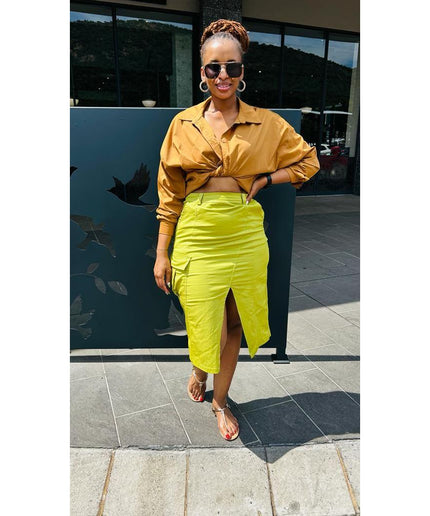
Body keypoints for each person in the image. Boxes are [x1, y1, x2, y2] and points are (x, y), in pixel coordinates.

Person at [153, 19, 320, 441]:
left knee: (234, 321)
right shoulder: (183, 124)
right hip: (198, 229)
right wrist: (161, 253)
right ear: (202, 72)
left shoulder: (267, 124)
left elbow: (309, 161)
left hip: (245, 231)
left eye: (232, 67)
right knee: (202, 316)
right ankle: (199, 369)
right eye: (214, 67)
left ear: (243, 72)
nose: (223, 75)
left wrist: (266, 180)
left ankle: (220, 401)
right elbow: (169, 193)